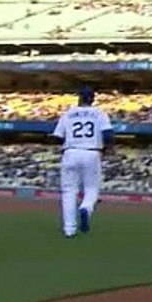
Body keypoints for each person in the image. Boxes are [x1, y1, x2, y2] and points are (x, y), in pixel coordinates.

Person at [51, 85, 114, 238]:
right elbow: (108, 134)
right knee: (92, 188)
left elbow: (57, 137)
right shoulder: (99, 113)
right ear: (93, 98)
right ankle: (85, 208)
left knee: (68, 191)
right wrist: (107, 149)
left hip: (70, 152)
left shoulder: (68, 113)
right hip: (92, 152)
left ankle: (69, 229)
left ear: (78, 97)